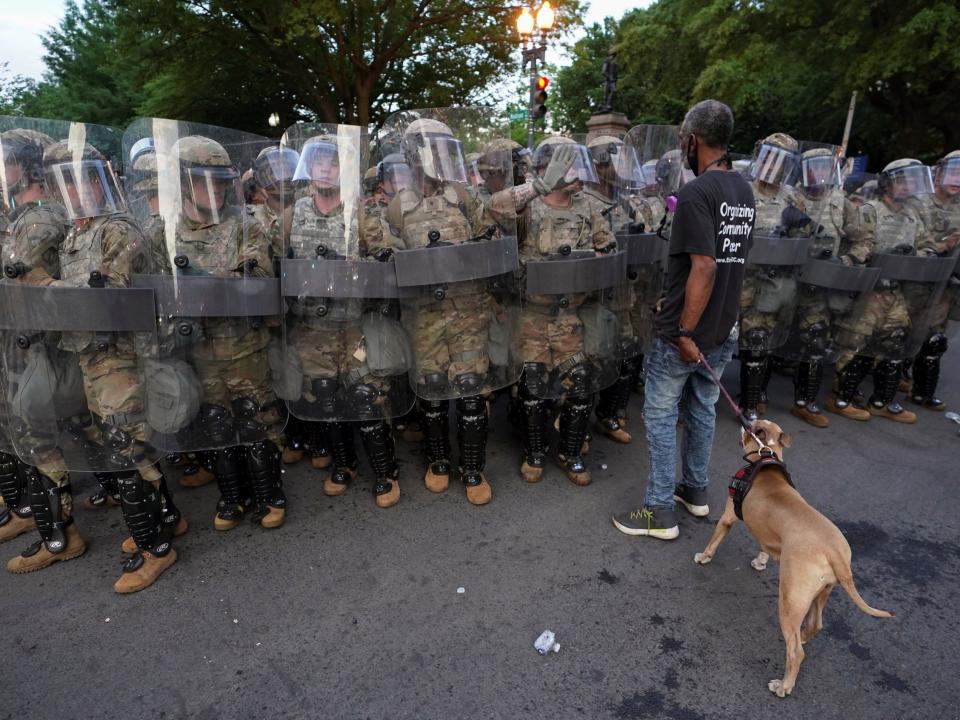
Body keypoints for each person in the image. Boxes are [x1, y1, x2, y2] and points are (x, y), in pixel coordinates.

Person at [613, 99, 754, 540]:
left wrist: (684, 328)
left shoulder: (697, 193)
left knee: (657, 415)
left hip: (687, 336)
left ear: (693, 141)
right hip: (724, 326)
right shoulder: (743, 191)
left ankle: (658, 511)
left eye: (682, 141)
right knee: (702, 409)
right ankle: (695, 492)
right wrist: (676, 303)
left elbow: (706, 266)